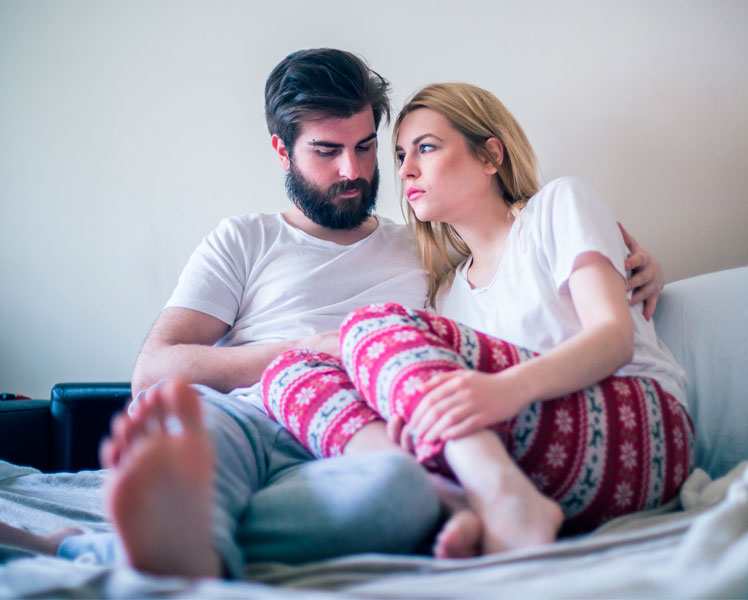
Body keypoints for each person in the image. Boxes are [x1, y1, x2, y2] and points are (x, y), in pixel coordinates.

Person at [0, 50, 663, 577]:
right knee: (196, 442)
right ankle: (181, 531)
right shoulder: (245, 238)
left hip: (362, 434)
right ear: (281, 151)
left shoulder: (428, 247)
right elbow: (154, 371)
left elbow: (519, 265)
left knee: (401, 496)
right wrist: (312, 347)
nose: (356, 169)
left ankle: (161, 543)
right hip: (248, 412)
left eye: (369, 146)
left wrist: (639, 265)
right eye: (327, 151)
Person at [262, 82, 693, 559]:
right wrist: (417, 412)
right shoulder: (445, 295)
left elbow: (615, 340)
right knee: (290, 372)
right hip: (533, 458)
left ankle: (501, 496)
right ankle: (457, 500)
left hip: (643, 430)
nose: (405, 170)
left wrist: (500, 391)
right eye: (401, 154)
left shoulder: (557, 207)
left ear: (491, 156)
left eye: (425, 148)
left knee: (371, 324)